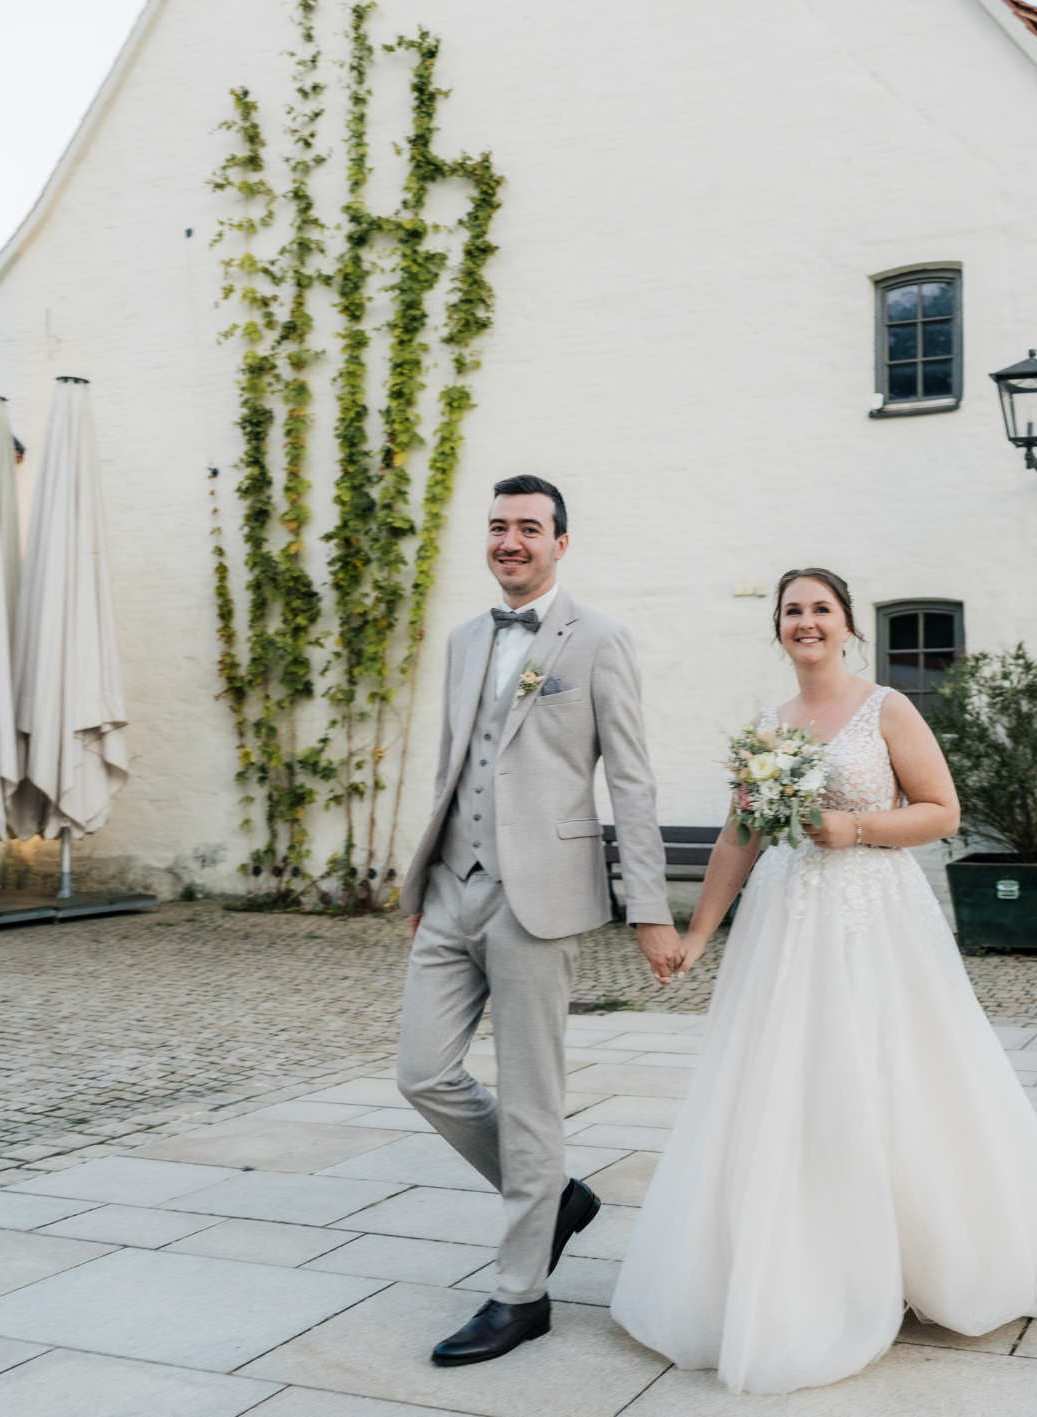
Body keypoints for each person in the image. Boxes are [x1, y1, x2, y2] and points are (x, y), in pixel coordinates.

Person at [609, 568, 1037, 1394]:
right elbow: (742, 833)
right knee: (786, 1082)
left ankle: (921, 1251)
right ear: (777, 628)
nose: (806, 622)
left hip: (872, 916)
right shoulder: (765, 727)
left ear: (848, 626)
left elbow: (941, 810)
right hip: (784, 925)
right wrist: (698, 934)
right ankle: (798, 1251)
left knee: (893, 1073)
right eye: (792, 611)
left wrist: (851, 826)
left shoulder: (887, 708)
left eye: (821, 609)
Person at [393, 475, 677, 1367]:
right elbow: (454, 763)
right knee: (422, 1072)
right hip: (452, 889)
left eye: (528, 527)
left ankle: (521, 1295)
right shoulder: (467, 637)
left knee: (531, 1095)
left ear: (560, 541)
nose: (509, 540)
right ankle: (554, 1196)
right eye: (498, 526)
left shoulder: (598, 639)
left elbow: (630, 780)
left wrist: (650, 909)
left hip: (541, 896)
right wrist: (423, 882)